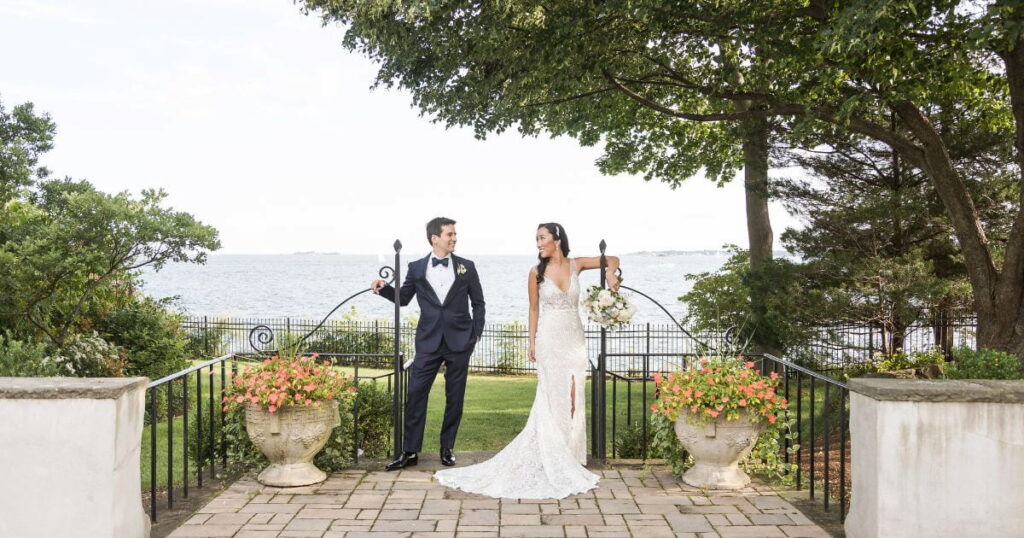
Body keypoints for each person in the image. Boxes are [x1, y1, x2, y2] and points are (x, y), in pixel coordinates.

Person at [434, 222, 620, 499]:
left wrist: (610, 274)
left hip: (574, 338)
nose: (538, 243)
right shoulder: (536, 273)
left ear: (557, 239)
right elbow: (533, 309)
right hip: (549, 338)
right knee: (552, 397)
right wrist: (532, 341)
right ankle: (552, 454)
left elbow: (612, 258)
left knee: (574, 396)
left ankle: (569, 454)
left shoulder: (576, 264)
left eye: (542, 238)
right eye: (537, 239)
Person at [371, 217, 485, 471]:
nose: (454, 238)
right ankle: (410, 452)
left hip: (459, 342)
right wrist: (384, 288)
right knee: (415, 394)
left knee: (455, 397)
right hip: (428, 341)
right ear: (435, 238)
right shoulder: (417, 268)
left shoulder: (467, 267)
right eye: (449, 234)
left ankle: (447, 448)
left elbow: (478, 303)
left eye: (455, 234)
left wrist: (475, 333)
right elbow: (403, 298)